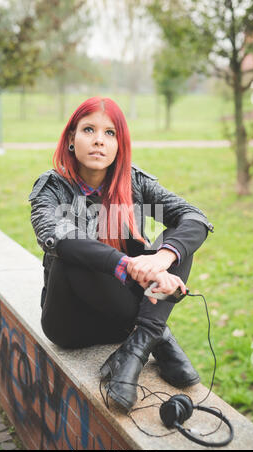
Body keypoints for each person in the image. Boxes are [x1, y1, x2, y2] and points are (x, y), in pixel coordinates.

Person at [28, 96, 214, 412]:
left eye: (109, 133)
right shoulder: (52, 188)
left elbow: (195, 217)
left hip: (122, 320)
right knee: (73, 250)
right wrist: (127, 264)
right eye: (88, 130)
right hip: (70, 323)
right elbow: (56, 236)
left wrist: (161, 260)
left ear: (120, 144)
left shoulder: (135, 182)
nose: (99, 140)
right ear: (72, 139)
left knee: (176, 246)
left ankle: (135, 351)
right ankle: (159, 337)